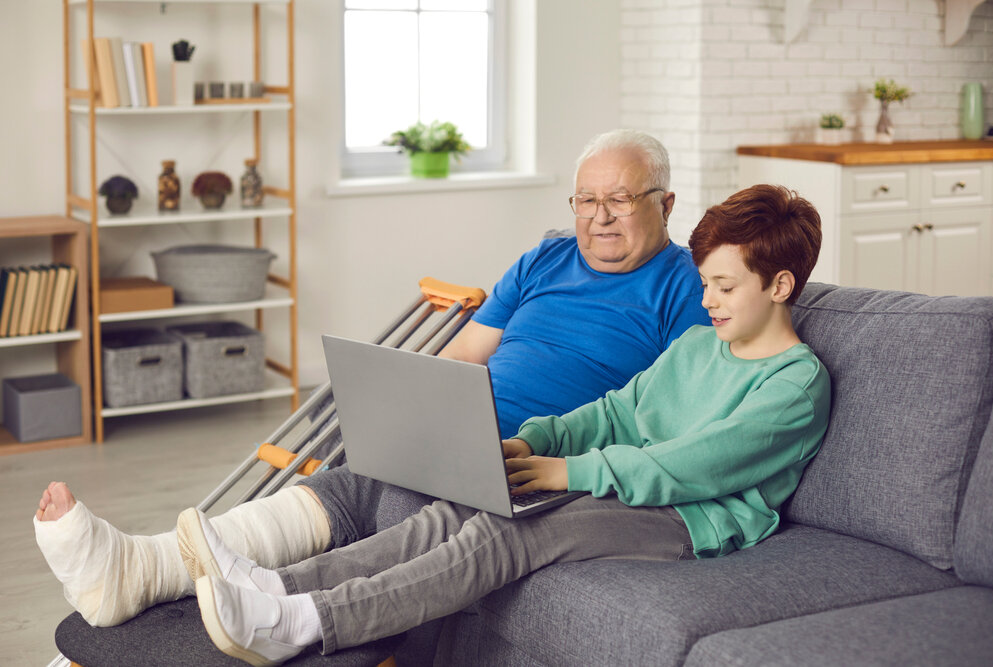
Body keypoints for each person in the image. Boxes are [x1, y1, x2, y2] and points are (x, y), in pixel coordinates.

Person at [34, 129, 710, 633]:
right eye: (586, 199)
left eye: (619, 200)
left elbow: (660, 411)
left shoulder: (685, 288)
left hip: (532, 457)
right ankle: (147, 573)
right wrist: (415, 409)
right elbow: (461, 356)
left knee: (374, 491)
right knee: (356, 466)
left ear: (666, 202)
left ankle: (150, 575)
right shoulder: (546, 256)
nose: (598, 216)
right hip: (466, 432)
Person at [189, 183, 832, 665]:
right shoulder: (700, 346)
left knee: (507, 533)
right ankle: (275, 583)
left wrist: (566, 470)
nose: (706, 300)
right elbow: (617, 412)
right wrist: (539, 440)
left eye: (723, 285)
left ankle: (303, 623)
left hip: (692, 516)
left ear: (779, 285)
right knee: (454, 512)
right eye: (703, 283)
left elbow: (691, 466)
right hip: (624, 481)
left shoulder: (795, 384)